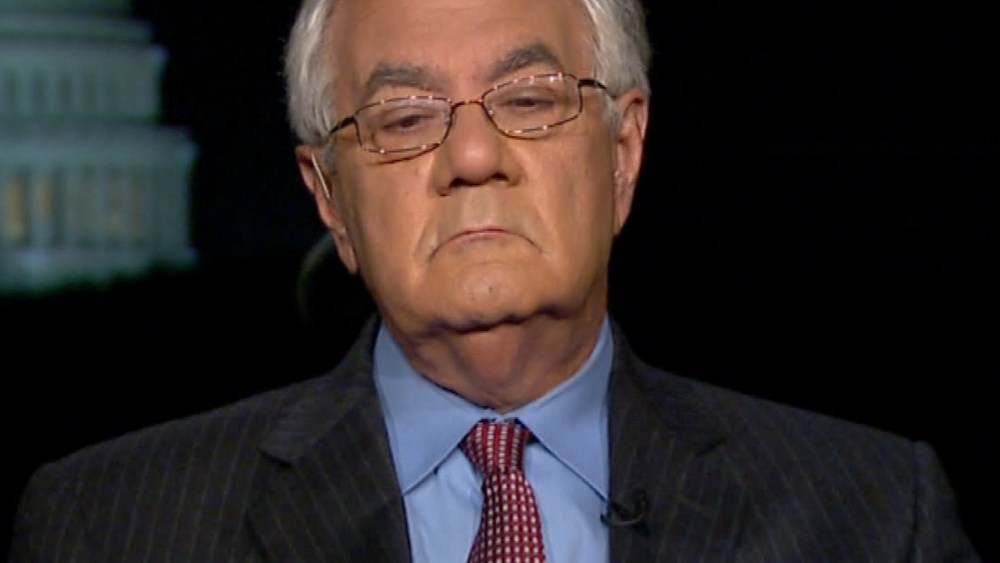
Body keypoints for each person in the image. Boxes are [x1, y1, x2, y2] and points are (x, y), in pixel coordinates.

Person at [10, 0, 980, 561]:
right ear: (329, 197)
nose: (473, 156)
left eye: (530, 99)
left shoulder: (873, 517)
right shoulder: (109, 529)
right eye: (404, 117)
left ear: (624, 152)